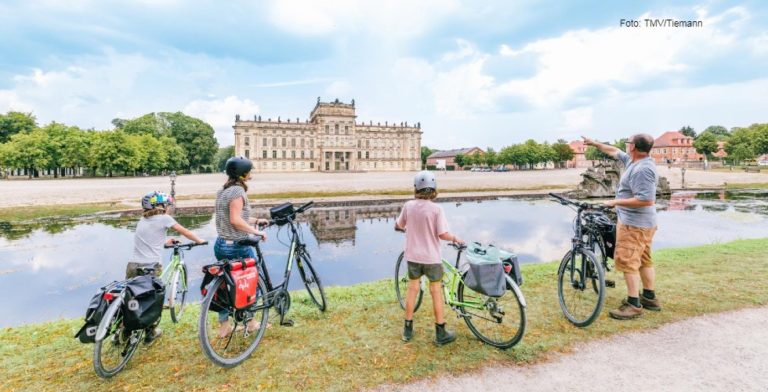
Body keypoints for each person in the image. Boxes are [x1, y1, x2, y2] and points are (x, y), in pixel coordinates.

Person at [582, 134, 661, 320]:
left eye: (628, 143)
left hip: (635, 225)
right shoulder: (634, 161)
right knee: (643, 259)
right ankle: (649, 297)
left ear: (633, 146)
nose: (626, 146)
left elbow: (646, 200)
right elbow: (614, 151)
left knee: (627, 261)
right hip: (642, 224)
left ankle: (633, 304)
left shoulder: (643, 169)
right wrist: (595, 143)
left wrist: (615, 202)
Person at [395, 170, 465, 345]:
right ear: (433, 188)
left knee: (412, 291)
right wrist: (455, 238)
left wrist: (402, 228)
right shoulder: (436, 209)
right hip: (431, 258)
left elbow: (399, 225)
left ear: (416, 188)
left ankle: (407, 331)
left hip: (412, 256)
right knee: (436, 293)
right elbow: (442, 234)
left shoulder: (408, 206)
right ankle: (440, 333)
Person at [128, 191, 206, 344]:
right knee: (153, 300)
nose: (168, 207)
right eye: (166, 205)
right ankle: (150, 333)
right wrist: (199, 240)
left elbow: (148, 240)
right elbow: (185, 231)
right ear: (160, 206)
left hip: (132, 265)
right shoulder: (164, 218)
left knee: (130, 298)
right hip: (151, 267)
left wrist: (164, 242)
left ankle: (123, 333)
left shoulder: (142, 220)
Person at [213, 156, 270, 337]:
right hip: (237, 246)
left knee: (224, 285)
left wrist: (255, 221)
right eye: (249, 170)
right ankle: (251, 321)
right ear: (243, 174)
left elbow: (233, 217)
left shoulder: (222, 191)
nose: (251, 173)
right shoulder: (238, 192)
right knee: (252, 282)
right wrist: (257, 232)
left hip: (221, 244)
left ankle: (224, 326)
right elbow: (235, 220)